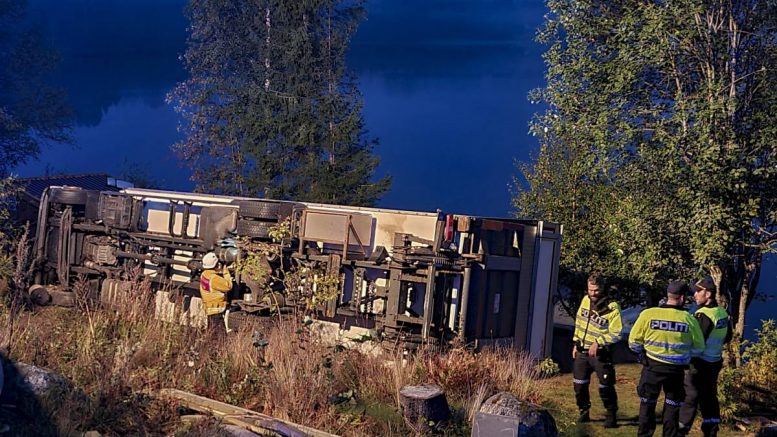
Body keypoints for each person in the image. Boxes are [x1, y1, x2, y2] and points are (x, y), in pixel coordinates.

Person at [629, 281, 705, 437]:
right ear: (682, 298)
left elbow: (633, 342)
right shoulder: (688, 319)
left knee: (647, 404)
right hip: (675, 371)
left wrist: (642, 355)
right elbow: (699, 348)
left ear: (668, 295)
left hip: (652, 368)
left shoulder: (648, 314)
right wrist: (684, 356)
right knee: (673, 406)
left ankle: (644, 435)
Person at [679, 277, 732, 437]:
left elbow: (696, 341)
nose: (694, 295)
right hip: (714, 361)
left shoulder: (702, 315)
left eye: (698, 291)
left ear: (708, 294)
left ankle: (681, 428)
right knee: (709, 397)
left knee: (691, 396)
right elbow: (727, 337)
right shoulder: (721, 312)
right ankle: (711, 430)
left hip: (699, 363)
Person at [572, 273, 623, 428]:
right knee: (579, 385)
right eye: (590, 290)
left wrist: (599, 342)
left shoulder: (612, 307)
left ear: (603, 288)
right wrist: (575, 342)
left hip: (601, 354)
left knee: (605, 386)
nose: (592, 293)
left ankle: (611, 414)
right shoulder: (585, 300)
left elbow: (617, 333)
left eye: (596, 290)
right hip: (582, 351)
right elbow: (579, 322)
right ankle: (583, 411)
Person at [199, 251, 233, 334]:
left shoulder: (204, 274)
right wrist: (226, 272)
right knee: (220, 337)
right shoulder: (214, 278)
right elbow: (228, 286)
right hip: (216, 310)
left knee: (212, 333)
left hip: (210, 309)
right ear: (216, 265)